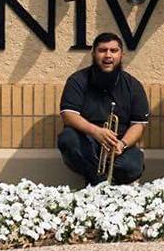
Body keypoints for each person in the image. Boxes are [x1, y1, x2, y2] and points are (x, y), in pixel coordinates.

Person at [57, 33, 150, 185]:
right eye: (102, 50)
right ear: (93, 53)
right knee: (68, 139)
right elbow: (68, 114)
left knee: (132, 167)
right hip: (88, 142)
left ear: (122, 54)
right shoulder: (78, 80)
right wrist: (97, 132)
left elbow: (139, 124)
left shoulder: (133, 86)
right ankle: (99, 182)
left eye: (114, 51)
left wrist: (122, 144)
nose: (108, 55)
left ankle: (99, 179)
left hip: (118, 145)